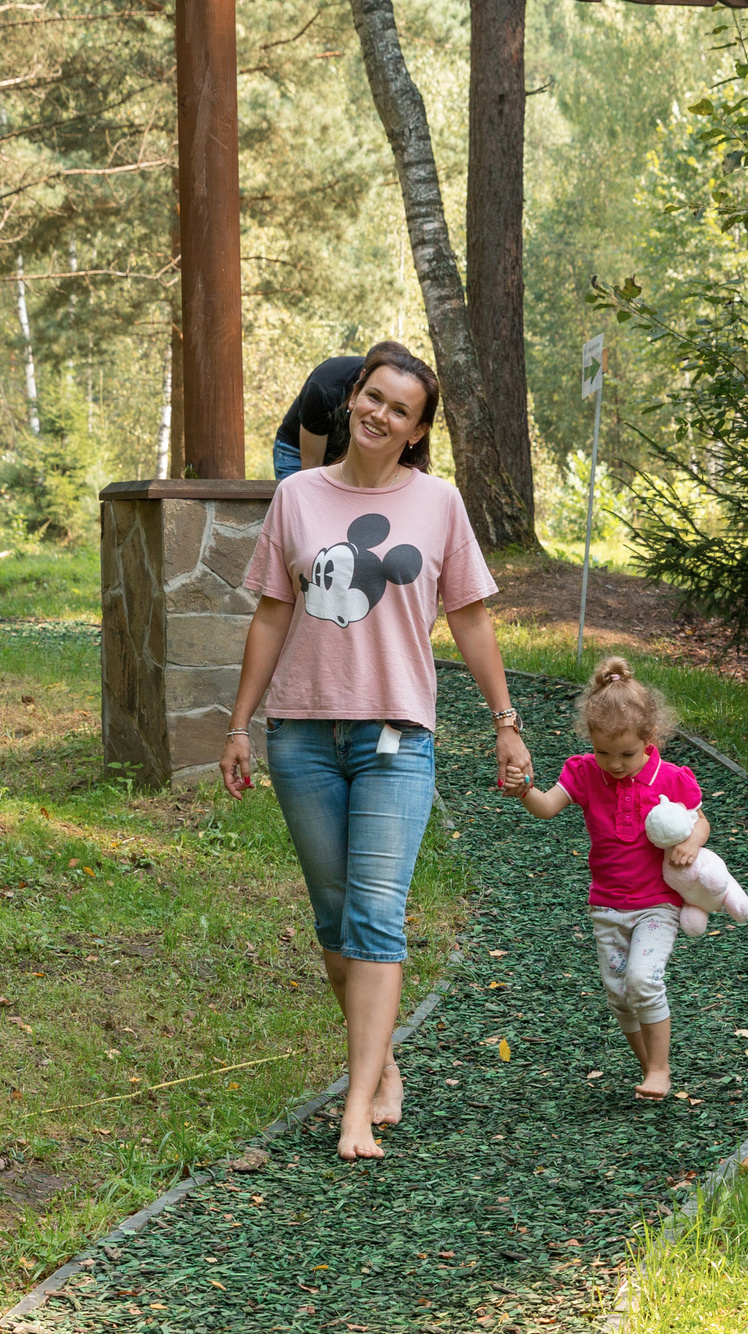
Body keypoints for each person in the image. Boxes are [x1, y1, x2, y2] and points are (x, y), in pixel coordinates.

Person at [221, 344, 535, 1161]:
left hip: (397, 737)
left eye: (400, 408)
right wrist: (238, 724)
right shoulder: (297, 496)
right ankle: (382, 1059)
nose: (379, 413)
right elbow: (270, 614)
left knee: (375, 915)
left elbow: (468, 616)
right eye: (371, 397)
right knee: (335, 922)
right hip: (301, 737)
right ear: (350, 398)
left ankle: (356, 1105)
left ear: (418, 429)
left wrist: (505, 718)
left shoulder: (438, 504)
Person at [499, 658, 708, 1102]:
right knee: (620, 996)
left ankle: (660, 1067)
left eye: (627, 754)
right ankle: (648, 1067)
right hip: (607, 905)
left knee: (643, 980)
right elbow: (546, 807)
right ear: (590, 742)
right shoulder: (583, 772)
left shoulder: (669, 778)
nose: (614, 764)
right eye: (604, 752)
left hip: (657, 903)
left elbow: (698, 819)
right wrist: (523, 791)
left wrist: (691, 841)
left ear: (650, 741)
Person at [270, 351, 376, 480]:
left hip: (340, 456)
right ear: (363, 375)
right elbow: (311, 466)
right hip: (297, 453)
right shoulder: (324, 389)